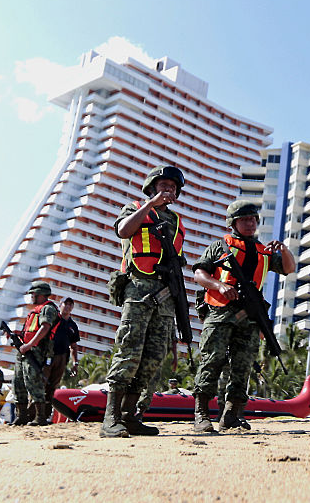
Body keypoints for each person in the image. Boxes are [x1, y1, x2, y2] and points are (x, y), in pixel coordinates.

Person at [191, 200, 294, 433]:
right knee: (211, 360)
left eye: (253, 220)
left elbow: (289, 269)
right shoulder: (221, 246)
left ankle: (232, 415)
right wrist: (218, 286)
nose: (250, 224)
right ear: (233, 223)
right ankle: (201, 414)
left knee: (243, 365)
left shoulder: (263, 251)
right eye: (244, 220)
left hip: (249, 316)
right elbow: (199, 273)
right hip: (220, 311)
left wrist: (284, 250)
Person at [101, 165, 187, 438]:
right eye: (165, 184)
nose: (170, 189)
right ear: (151, 186)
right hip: (139, 289)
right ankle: (110, 418)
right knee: (129, 351)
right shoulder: (135, 208)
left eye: (174, 187)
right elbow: (124, 231)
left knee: (153, 357)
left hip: (165, 296)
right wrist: (150, 204)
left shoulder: (175, 220)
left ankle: (130, 416)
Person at [10, 281, 59, 426]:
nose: (32, 296)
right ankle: (22, 416)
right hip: (25, 350)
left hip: (36, 351)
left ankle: (40, 417)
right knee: (18, 382)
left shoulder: (48, 309)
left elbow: (45, 327)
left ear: (41, 294)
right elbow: (32, 330)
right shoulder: (36, 310)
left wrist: (29, 345)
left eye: (34, 294)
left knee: (33, 382)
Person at [44, 297, 81, 412]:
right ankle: (33, 413)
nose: (68, 306)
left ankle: (45, 414)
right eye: (66, 303)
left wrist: (75, 363)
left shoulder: (73, 325)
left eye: (71, 304)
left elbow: (74, 346)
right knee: (41, 383)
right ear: (60, 305)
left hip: (62, 358)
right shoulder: (53, 319)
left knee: (53, 386)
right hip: (48, 356)